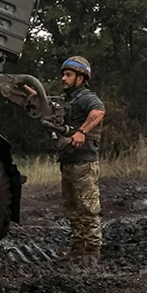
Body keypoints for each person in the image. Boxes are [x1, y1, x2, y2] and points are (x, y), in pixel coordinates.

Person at [54, 56, 106, 262]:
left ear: (81, 78)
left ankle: (93, 252)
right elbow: (45, 103)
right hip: (68, 161)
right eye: (63, 75)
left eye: (68, 75)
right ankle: (77, 249)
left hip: (84, 162)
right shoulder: (66, 100)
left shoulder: (86, 97)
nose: (63, 79)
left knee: (88, 208)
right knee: (72, 209)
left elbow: (99, 111)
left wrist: (82, 131)